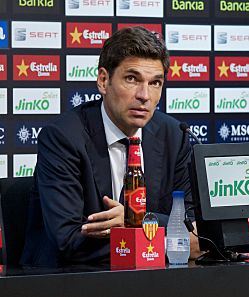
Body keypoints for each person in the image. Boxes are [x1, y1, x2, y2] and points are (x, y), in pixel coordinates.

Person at [21, 26, 200, 267]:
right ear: (104, 81)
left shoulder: (174, 135)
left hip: (152, 279)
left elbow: (195, 234)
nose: (144, 95)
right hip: (71, 280)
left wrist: (134, 221)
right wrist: (163, 237)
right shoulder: (63, 137)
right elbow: (69, 240)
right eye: (131, 79)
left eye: (155, 82)